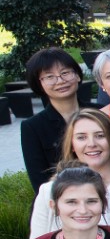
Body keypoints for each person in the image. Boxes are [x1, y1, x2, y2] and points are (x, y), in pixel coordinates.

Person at [31, 109, 110, 236]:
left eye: (100, 135)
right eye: (81, 137)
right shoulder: (48, 191)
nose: (92, 144)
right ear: (72, 145)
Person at [21, 47, 87, 190]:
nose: (60, 81)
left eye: (65, 73)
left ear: (77, 75)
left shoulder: (101, 112)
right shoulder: (32, 127)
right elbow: (39, 182)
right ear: (39, 84)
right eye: (50, 77)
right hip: (60, 196)